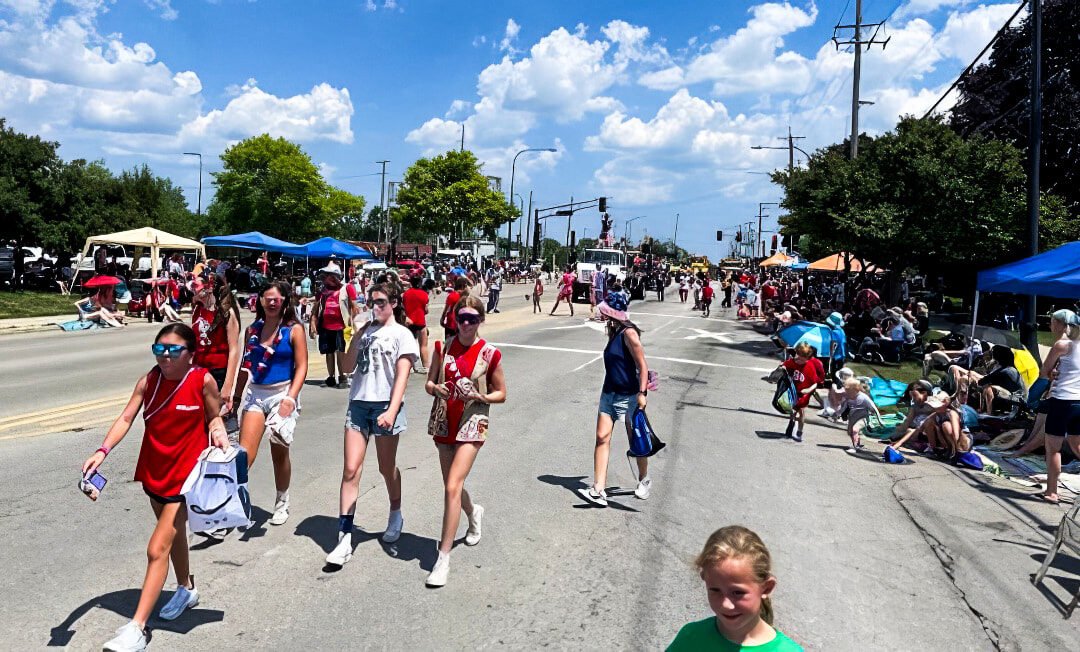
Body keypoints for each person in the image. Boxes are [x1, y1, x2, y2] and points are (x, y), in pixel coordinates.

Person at [83, 324, 229, 652]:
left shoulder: (201, 379)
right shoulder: (148, 381)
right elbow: (126, 419)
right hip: (154, 472)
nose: (164, 355)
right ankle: (186, 588)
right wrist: (101, 451)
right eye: (159, 349)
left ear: (190, 354)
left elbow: (214, 415)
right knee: (172, 538)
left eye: (173, 350)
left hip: (185, 478)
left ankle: (136, 629)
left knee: (156, 548)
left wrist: (218, 431)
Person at [325, 283, 419, 568]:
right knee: (351, 469)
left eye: (380, 302)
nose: (374, 306)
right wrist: (357, 335)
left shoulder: (402, 335)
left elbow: (402, 376)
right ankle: (344, 537)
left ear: (393, 303)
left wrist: (391, 409)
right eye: (370, 301)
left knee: (385, 467)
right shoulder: (365, 331)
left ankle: (395, 510)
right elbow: (346, 367)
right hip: (358, 404)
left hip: (384, 405)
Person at [422, 294, 506, 586]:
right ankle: (473, 512)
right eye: (461, 319)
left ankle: (443, 557)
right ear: (454, 320)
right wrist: (437, 389)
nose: (466, 324)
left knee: (452, 485)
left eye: (472, 319)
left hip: (472, 421)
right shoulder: (444, 347)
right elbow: (428, 383)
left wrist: (480, 396)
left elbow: (501, 393)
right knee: (452, 486)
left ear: (480, 321)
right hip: (446, 420)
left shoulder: (489, 353)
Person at [238, 281, 308, 527]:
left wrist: (290, 398)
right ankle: (233, 505)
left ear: (284, 302)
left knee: (279, 451)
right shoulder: (251, 330)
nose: (271, 303)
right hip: (256, 393)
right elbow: (244, 367)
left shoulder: (294, 330)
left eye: (276, 299)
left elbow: (302, 367)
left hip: (283, 392)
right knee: (243, 455)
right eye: (267, 298)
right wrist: (234, 398)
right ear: (259, 300)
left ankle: (282, 501)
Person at [667, 526, 802, 651]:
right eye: (715, 590)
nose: (726, 605)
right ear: (705, 579)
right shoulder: (691, 637)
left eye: (738, 592)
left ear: (766, 588)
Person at [579, 292, 652, 507]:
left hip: (628, 395)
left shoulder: (629, 334)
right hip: (608, 393)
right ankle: (598, 489)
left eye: (605, 310)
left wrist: (642, 393)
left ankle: (644, 479)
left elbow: (643, 366)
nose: (602, 313)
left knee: (636, 440)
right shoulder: (614, 331)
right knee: (602, 437)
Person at [1036, 309, 1080, 504]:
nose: (1050, 326)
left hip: (1062, 399)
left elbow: (1043, 372)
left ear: (1062, 325)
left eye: (1052, 322)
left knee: (1053, 447)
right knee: (1076, 444)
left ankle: (1052, 491)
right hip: (1079, 401)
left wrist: (1052, 373)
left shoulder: (1062, 345)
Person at [310, 265, 352, 388]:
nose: (327, 279)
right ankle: (331, 376)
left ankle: (342, 375)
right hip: (326, 326)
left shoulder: (346, 289)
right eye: (326, 276)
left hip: (341, 326)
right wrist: (313, 323)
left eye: (330, 276)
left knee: (340, 351)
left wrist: (356, 322)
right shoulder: (322, 292)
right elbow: (316, 309)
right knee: (329, 352)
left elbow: (353, 306)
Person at [779, 342, 823, 442]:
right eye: (799, 355)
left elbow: (815, 383)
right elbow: (783, 367)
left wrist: (808, 390)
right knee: (792, 409)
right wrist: (782, 369)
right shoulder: (791, 362)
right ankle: (792, 420)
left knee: (801, 411)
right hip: (792, 389)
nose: (801, 359)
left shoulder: (810, 366)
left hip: (804, 392)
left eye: (805, 357)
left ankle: (799, 432)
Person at [836, 377, 881, 454]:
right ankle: (857, 444)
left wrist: (880, 420)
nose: (846, 392)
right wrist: (837, 414)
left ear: (855, 390)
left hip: (863, 418)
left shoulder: (863, 397)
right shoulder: (848, 397)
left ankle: (855, 447)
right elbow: (843, 407)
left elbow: (873, 407)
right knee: (850, 432)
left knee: (855, 430)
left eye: (848, 391)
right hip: (852, 417)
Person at [402, 274, 431, 374]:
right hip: (420, 321)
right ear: (420, 282)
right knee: (423, 345)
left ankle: (410, 367)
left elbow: (404, 307)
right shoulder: (424, 294)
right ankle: (426, 366)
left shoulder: (406, 294)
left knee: (409, 345)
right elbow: (426, 310)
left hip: (409, 322)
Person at [440, 276, 470, 341]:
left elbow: (447, 309)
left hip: (451, 322)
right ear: (463, 286)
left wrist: (442, 319)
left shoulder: (452, 296)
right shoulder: (465, 297)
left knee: (449, 343)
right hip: (461, 322)